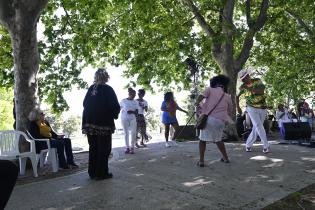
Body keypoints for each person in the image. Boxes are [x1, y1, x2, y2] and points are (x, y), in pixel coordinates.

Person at [82, 68, 120, 180]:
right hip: (103, 123)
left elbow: (84, 104)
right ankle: (101, 173)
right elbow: (114, 106)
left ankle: (92, 172)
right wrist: (115, 113)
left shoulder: (91, 89)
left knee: (93, 147)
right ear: (106, 77)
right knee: (104, 148)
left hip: (89, 122)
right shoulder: (108, 89)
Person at [195, 75, 232, 166]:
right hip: (220, 121)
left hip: (209, 119)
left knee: (202, 140)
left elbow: (200, 96)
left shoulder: (209, 89)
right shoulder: (227, 96)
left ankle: (201, 161)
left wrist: (196, 104)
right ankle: (226, 158)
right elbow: (230, 110)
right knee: (218, 139)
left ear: (214, 83)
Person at [236, 69, 270, 153]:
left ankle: (248, 144)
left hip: (262, 107)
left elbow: (261, 92)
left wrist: (248, 88)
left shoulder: (257, 81)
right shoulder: (242, 87)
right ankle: (266, 146)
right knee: (258, 125)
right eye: (242, 79)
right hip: (251, 108)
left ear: (248, 76)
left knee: (257, 127)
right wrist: (238, 107)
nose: (244, 80)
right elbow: (237, 97)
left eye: (244, 78)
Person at [120, 88, 139, 154]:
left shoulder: (136, 102)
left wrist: (132, 111)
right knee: (126, 133)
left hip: (133, 118)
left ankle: (132, 147)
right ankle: (127, 147)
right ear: (129, 94)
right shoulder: (123, 101)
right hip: (124, 118)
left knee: (133, 132)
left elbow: (136, 111)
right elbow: (119, 109)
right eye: (133, 94)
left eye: (135, 95)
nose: (134, 96)